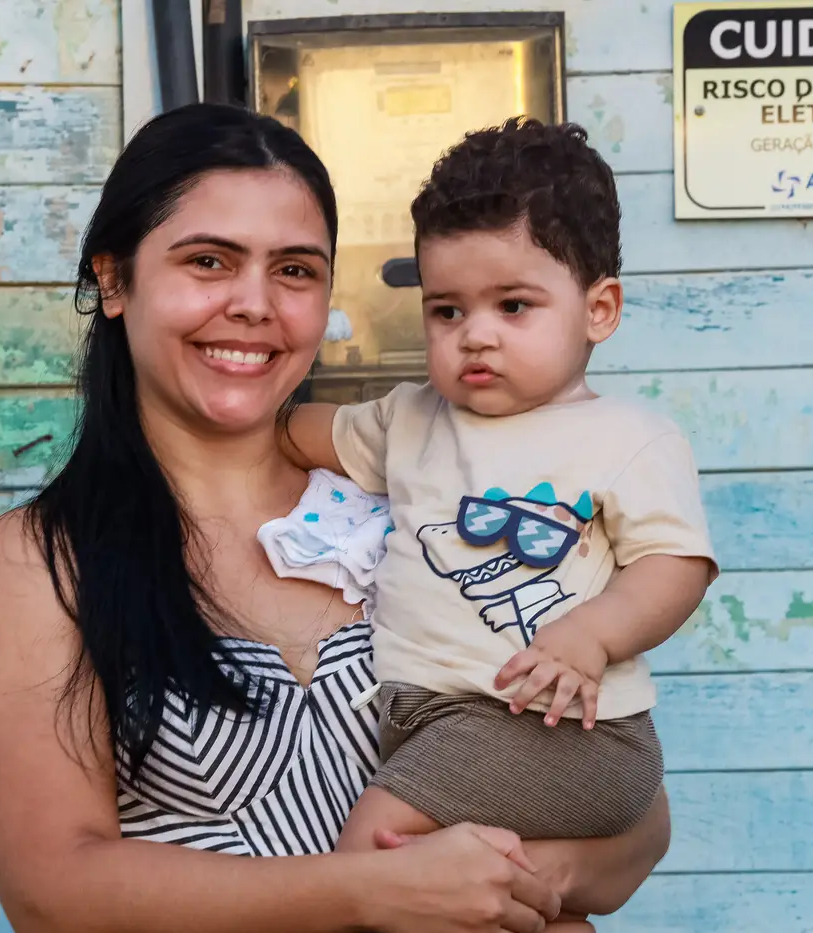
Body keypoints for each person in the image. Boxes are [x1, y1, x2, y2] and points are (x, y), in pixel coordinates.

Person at [0, 103, 671, 933]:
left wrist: (514, 881)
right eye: (209, 260)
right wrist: (372, 893)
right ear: (113, 279)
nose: (254, 304)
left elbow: (637, 816)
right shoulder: (39, 566)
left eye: (293, 270)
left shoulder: (425, 508)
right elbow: (52, 892)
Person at [281, 119, 717, 927]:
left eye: (514, 305)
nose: (474, 333)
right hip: (432, 722)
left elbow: (674, 565)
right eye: (446, 310)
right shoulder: (411, 416)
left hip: (556, 729)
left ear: (600, 309)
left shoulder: (628, 438)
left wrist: (591, 635)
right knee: (497, 894)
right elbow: (297, 431)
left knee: (373, 850)